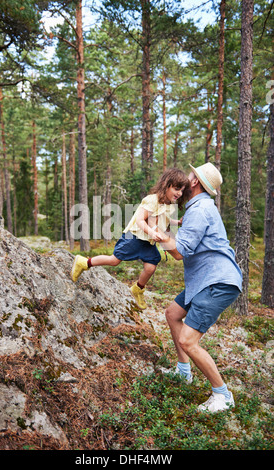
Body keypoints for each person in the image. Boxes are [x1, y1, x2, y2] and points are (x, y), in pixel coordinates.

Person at [159, 162, 242, 413]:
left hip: (216, 282)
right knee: (173, 313)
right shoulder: (199, 207)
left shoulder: (200, 209)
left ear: (194, 182)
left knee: (188, 340)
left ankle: (222, 395)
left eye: (190, 176)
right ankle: (184, 371)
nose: (185, 180)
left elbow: (179, 253)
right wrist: (168, 225)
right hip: (204, 281)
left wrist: (161, 237)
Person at [71, 168, 189, 310]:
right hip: (134, 237)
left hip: (148, 242)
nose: (179, 193)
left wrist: (177, 222)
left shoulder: (169, 204)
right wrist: (152, 232)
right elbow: (140, 220)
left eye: (182, 190)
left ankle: (137, 289)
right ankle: (84, 262)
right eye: (177, 189)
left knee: (151, 267)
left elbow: (166, 219)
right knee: (114, 260)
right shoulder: (152, 200)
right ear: (167, 184)